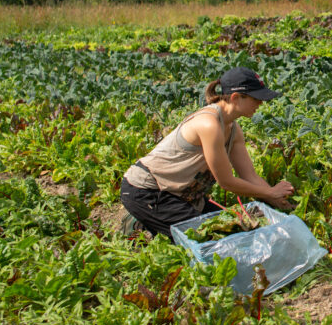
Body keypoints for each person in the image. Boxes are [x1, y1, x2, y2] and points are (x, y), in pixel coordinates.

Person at [120, 67, 294, 238]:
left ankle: (155, 221)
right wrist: (270, 193)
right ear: (235, 97)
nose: (260, 103)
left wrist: (280, 201)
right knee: (212, 238)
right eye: (256, 98)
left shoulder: (233, 129)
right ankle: (140, 224)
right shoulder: (209, 124)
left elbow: (250, 176)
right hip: (148, 190)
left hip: (181, 195)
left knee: (234, 228)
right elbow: (226, 182)